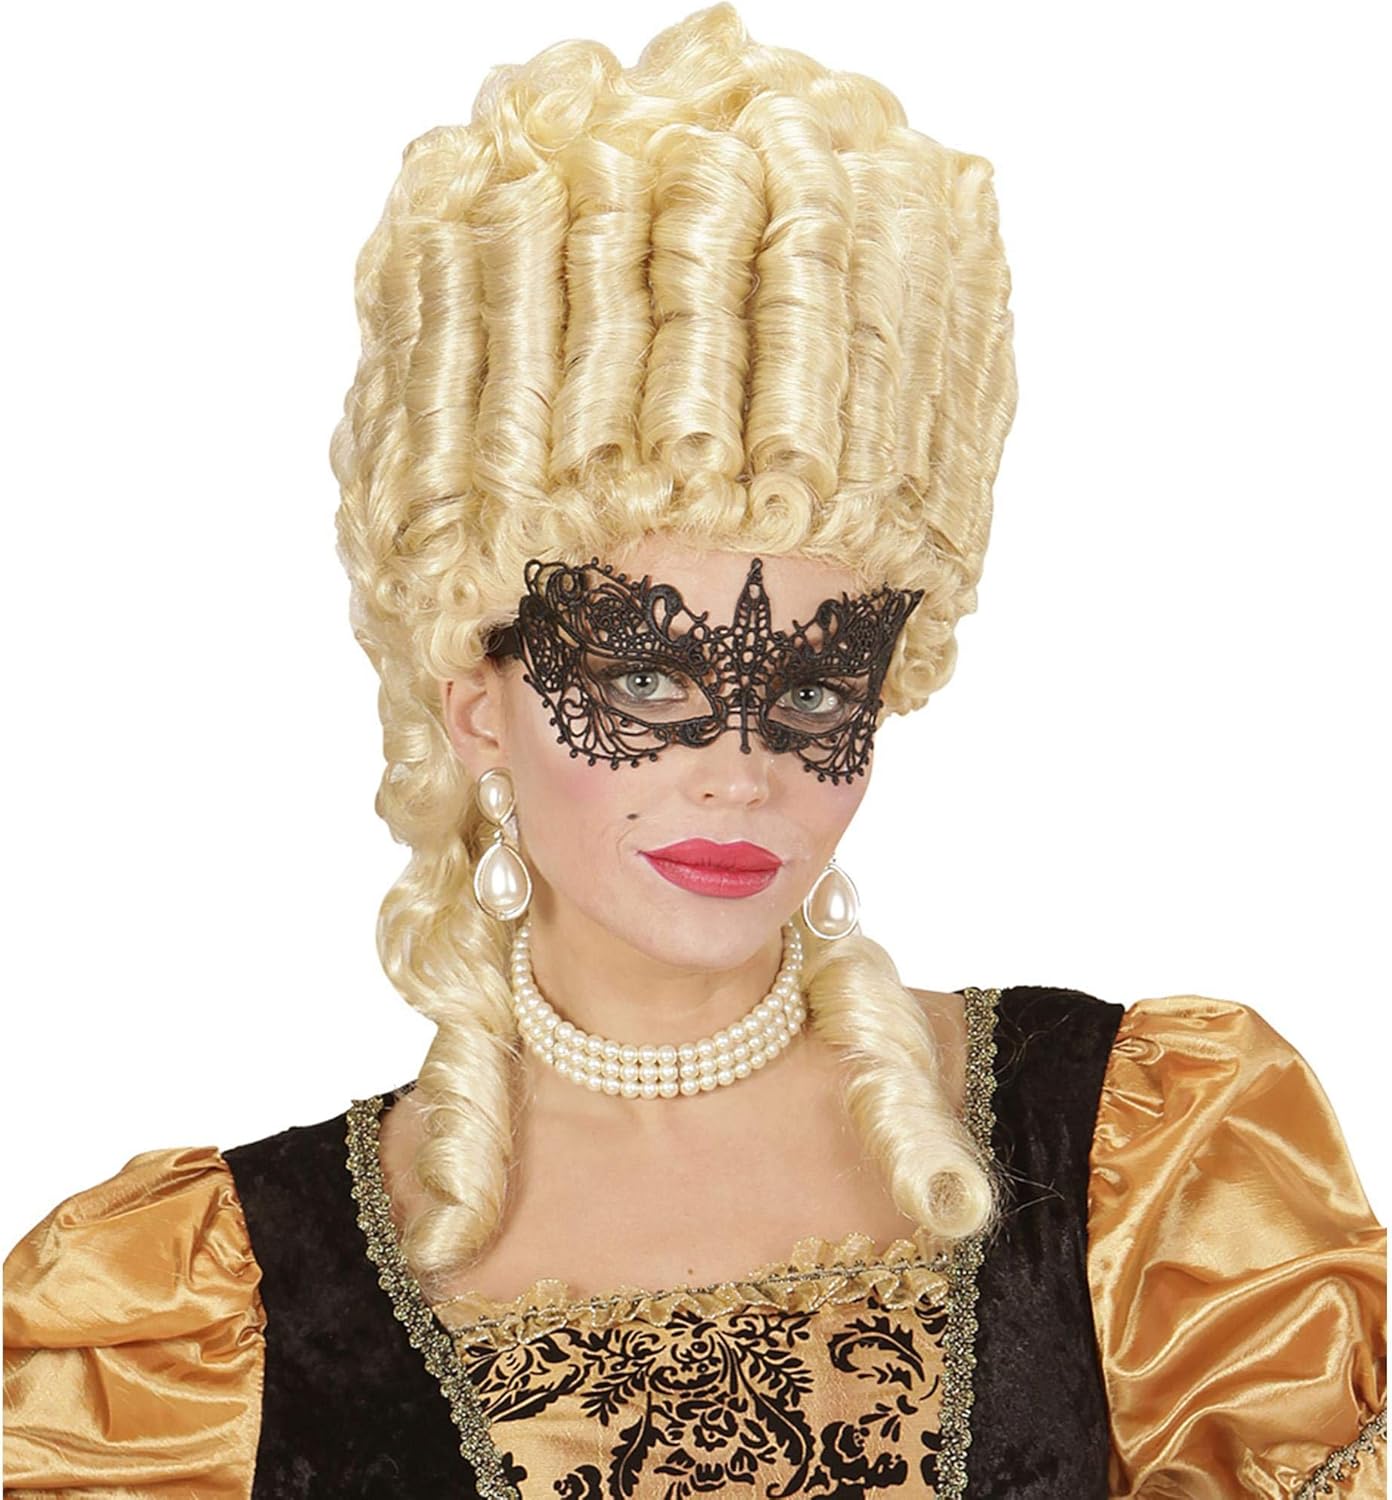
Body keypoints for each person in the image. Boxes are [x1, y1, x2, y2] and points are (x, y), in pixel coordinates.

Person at [4, 6, 1385, 1497]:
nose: (740, 772)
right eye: (652, 676)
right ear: (478, 700)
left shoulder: (1134, 1157)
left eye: (815, 689)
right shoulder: (214, 1311)